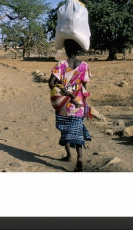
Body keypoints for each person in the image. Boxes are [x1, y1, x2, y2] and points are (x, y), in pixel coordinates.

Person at [48, 39, 92, 172]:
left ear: (66, 50)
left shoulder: (60, 65)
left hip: (64, 105)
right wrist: (84, 103)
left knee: (65, 129)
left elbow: (51, 82)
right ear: (78, 50)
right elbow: (84, 87)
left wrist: (61, 91)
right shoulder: (84, 66)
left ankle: (68, 155)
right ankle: (79, 158)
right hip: (78, 104)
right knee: (77, 131)